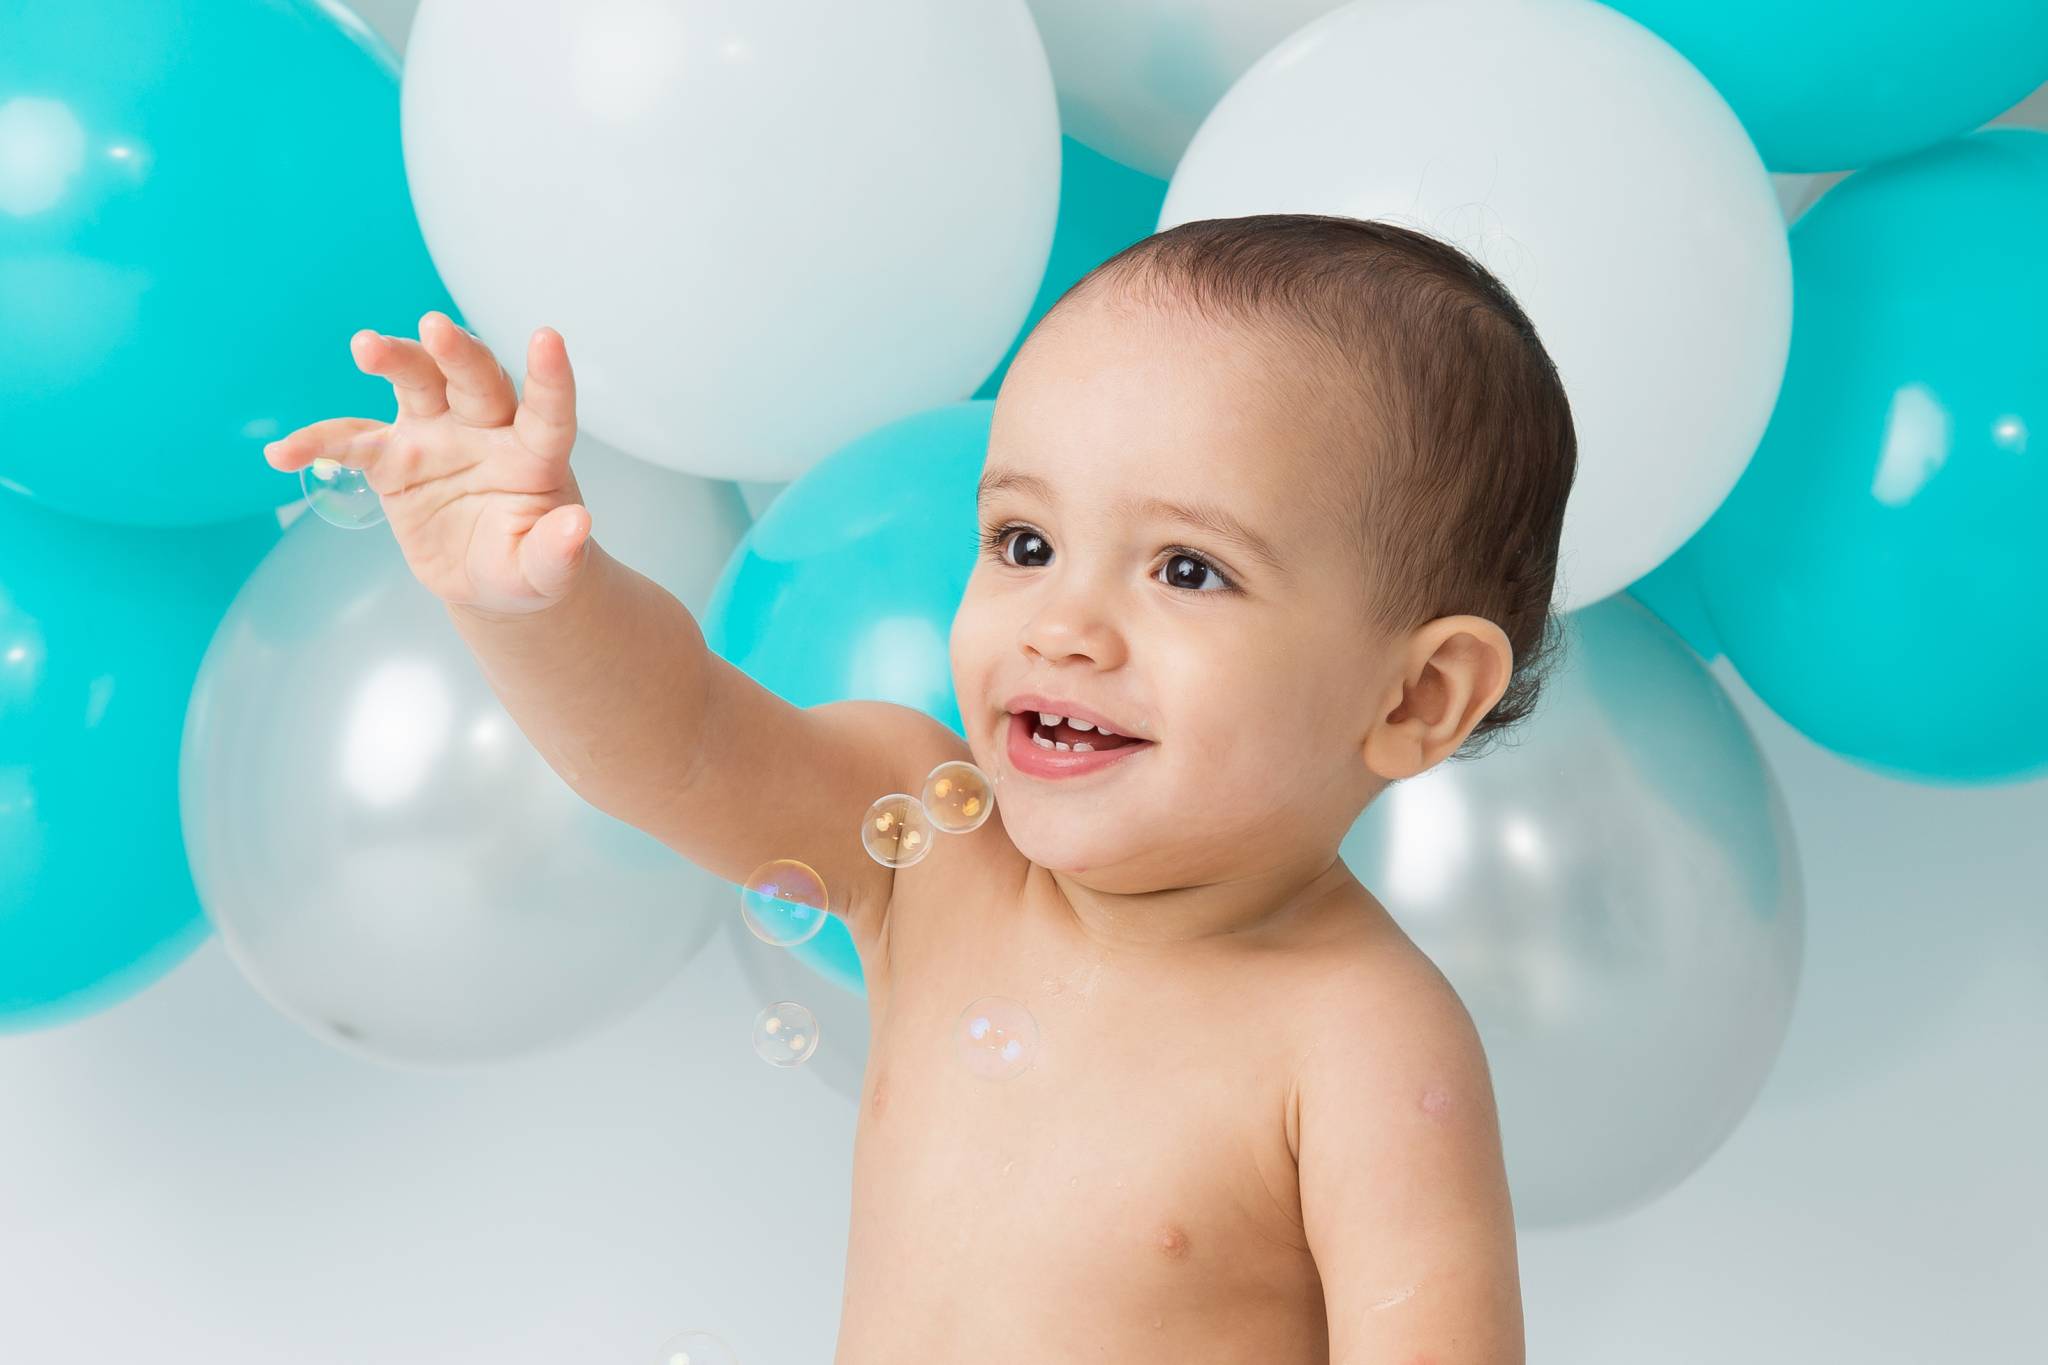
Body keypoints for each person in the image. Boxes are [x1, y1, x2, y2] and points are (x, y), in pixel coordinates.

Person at [263, 212, 1576, 1363]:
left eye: (1186, 569)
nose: (1063, 622)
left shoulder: (1359, 1040)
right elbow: (680, 740)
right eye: (1025, 541)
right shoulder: (933, 841)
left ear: (1416, 698)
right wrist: (533, 606)